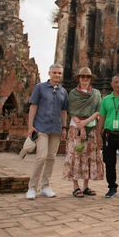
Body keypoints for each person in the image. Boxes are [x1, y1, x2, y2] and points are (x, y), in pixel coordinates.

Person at [26, 64, 68, 200]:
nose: (57, 75)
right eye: (55, 73)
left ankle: (45, 186)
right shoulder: (40, 88)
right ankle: (32, 187)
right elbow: (33, 106)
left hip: (56, 128)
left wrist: (64, 127)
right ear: (49, 73)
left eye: (59, 73)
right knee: (41, 157)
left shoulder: (63, 92)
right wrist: (30, 125)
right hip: (41, 127)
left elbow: (63, 111)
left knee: (51, 158)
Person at [62, 67, 104, 198]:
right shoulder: (73, 93)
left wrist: (86, 122)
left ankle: (86, 186)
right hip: (76, 128)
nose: (85, 79)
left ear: (90, 79)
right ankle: (76, 187)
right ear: (79, 78)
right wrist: (81, 127)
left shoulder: (96, 93)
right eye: (82, 77)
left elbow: (98, 110)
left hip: (91, 127)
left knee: (89, 156)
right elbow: (72, 111)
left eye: (87, 77)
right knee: (76, 155)